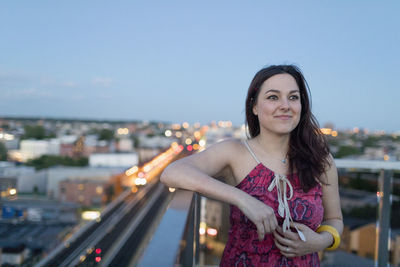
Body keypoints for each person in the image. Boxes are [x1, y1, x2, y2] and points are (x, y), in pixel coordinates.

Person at [160, 65, 343, 266]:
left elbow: (335, 219)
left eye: (293, 97)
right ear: (254, 106)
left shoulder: (320, 160)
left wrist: (320, 241)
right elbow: (173, 172)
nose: (285, 105)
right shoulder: (235, 152)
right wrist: (243, 199)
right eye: (273, 97)